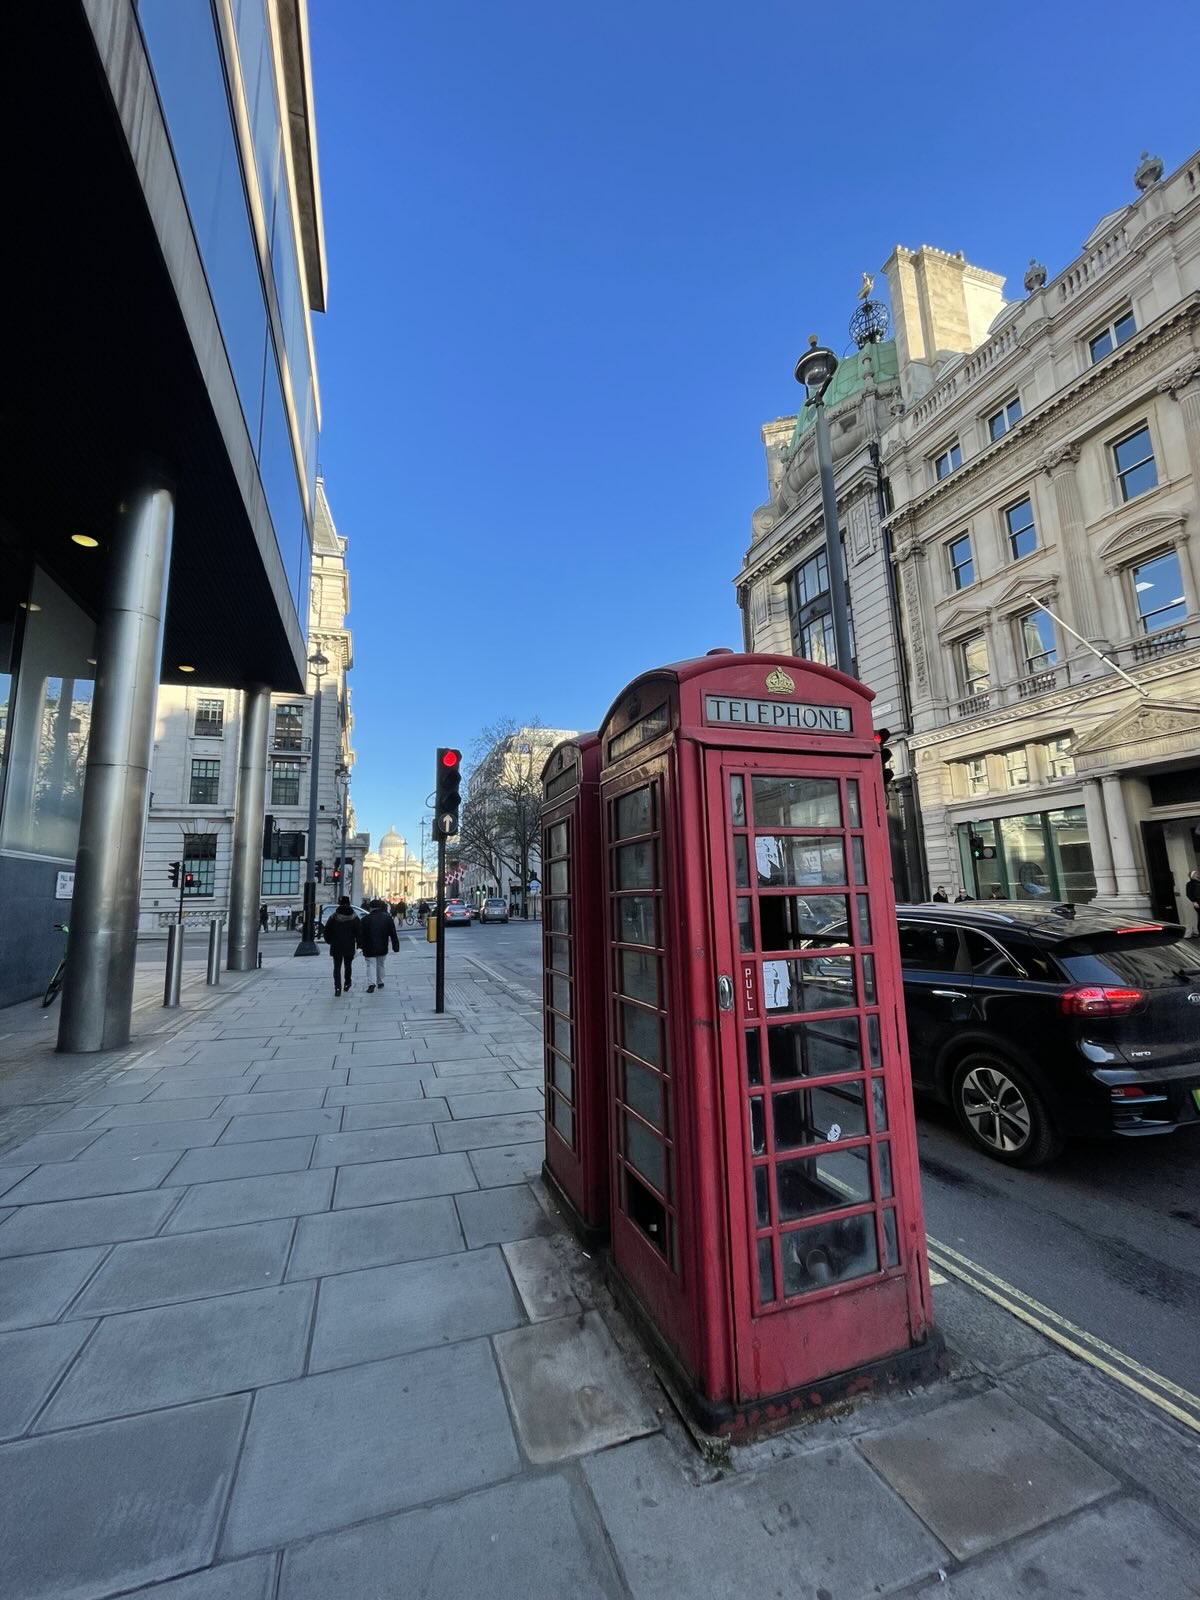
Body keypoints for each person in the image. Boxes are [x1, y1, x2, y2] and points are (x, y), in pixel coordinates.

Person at [322, 896, 361, 996]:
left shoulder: (334, 917)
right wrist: (359, 945)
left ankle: (337, 987)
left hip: (336, 945)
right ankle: (347, 982)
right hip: (349, 945)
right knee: (348, 965)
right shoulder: (354, 917)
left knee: (337, 967)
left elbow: (326, 931)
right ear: (349, 903)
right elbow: (359, 932)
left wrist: (329, 941)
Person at [360, 898, 399, 992]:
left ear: (371, 908)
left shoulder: (365, 919)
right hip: (382, 945)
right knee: (380, 964)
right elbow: (393, 933)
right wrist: (395, 946)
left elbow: (360, 934)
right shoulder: (387, 918)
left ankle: (371, 984)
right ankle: (380, 981)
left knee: (371, 965)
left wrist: (360, 946)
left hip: (369, 946)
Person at [1187, 869, 1200, 937]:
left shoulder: (1198, 882)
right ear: (1192, 876)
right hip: (1198, 902)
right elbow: (1188, 894)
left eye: (1197, 873)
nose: (1198, 874)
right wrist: (1194, 901)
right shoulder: (1190, 884)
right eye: (1196, 874)